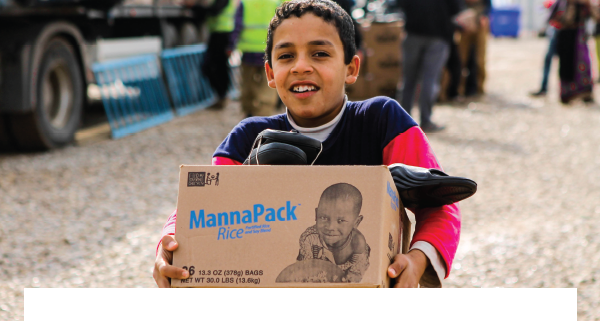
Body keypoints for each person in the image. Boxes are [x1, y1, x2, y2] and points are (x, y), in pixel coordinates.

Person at [154, 0, 461, 289]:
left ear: (351, 68)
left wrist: (418, 258)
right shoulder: (247, 138)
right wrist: (169, 243)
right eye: (286, 56)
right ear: (271, 73)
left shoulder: (383, 121)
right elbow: (203, 209)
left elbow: (440, 204)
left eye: (320, 54)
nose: (301, 66)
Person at [398, 0, 462, 133]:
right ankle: (425, 120)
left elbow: (399, 4)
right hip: (438, 35)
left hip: (413, 33)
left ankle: (403, 121)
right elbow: (457, 10)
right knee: (430, 80)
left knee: (408, 80)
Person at [296, 183, 369, 283]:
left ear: (356, 222)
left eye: (341, 221)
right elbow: (303, 271)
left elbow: (356, 274)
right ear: (316, 214)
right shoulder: (309, 239)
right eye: (324, 218)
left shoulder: (358, 244)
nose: (330, 227)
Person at [230, 0, 282, 117]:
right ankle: (264, 113)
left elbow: (237, 25)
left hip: (249, 51)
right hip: (269, 51)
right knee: (268, 84)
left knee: (247, 83)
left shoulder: (245, 3)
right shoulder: (275, 3)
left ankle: (249, 111)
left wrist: (231, 45)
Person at [550, 0, 599, 104]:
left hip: (579, 37)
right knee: (566, 65)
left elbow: (597, 17)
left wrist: (589, 5)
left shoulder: (585, 3)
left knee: (583, 63)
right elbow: (554, 19)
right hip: (565, 36)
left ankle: (585, 93)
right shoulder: (562, 3)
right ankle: (567, 94)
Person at [202, 0, 239, 109]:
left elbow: (214, 10)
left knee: (216, 66)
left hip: (223, 34)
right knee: (216, 66)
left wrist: (195, 7)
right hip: (218, 33)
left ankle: (222, 95)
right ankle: (222, 95)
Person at [458, 0, 491, 97]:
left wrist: (484, 16)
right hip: (465, 22)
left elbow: (488, 4)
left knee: (480, 59)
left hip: (480, 21)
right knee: (461, 58)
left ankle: (479, 88)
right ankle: (460, 88)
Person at [531, 0, 558, 97]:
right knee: (548, 59)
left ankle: (566, 91)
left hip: (565, 32)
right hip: (555, 29)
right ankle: (544, 87)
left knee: (564, 62)